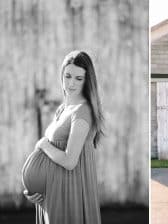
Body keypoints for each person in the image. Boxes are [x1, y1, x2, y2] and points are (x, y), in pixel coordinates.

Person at [22, 50, 103, 223]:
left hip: (69, 192)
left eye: (78, 79)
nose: (71, 83)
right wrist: (35, 190)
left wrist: (43, 145)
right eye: (67, 76)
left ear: (87, 81)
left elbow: (69, 160)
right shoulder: (64, 109)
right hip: (52, 193)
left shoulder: (82, 112)